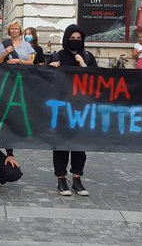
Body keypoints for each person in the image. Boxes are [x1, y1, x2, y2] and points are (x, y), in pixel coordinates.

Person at [48, 24, 97, 196]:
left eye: (79, 39)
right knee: (61, 145)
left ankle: (77, 178)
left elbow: (97, 80)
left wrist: (83, 64)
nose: (76, 41)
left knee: (79, 146)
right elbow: (45, 80)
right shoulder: (58, 56)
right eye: (72, 38)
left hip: (81, 109)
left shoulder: (87, 56)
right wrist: (52, 68)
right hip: (61, 108)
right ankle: (61, 179)